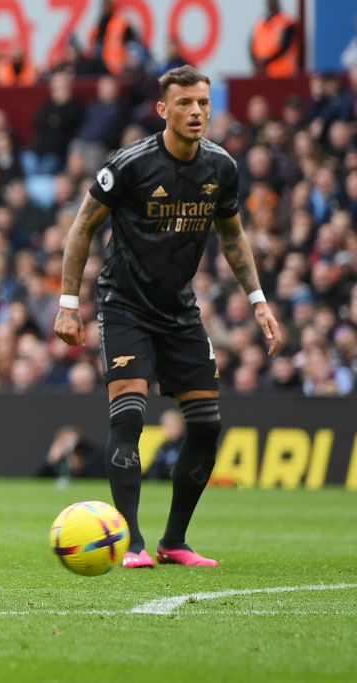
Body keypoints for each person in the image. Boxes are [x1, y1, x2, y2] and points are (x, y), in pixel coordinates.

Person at [53, 66, 281, 569]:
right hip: (124, 308)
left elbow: (232, 235)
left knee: (206, 425)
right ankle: (130, 541)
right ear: (163, 110)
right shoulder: (130, 165)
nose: (196, 111)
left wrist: (259, 299)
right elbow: (81, 228)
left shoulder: (221, 167)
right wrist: (69, 305)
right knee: (130, 415)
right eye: (184, 103)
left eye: (202, 102)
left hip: (179, 311)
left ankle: (174, 541)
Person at [250, 0, 299, 78]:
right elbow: (252, 44)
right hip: (263, 73)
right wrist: (257, 63)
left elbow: (286, 46)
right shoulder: (261, 22)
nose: (270, 3)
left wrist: (267, 61)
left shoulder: (286, 21)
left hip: (283, 73)